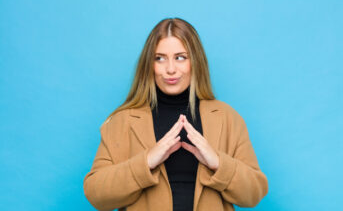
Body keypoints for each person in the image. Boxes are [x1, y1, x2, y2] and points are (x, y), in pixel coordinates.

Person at [83, 17, 268, 211]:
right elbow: (96, 195)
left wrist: (218, 163)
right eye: (160, 58)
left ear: (195, 61)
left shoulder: (227, 117)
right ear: (149, 64)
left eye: (180, 57)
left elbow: (254, 194)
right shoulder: (122, 122)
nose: (170, 69)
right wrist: (146, 162)